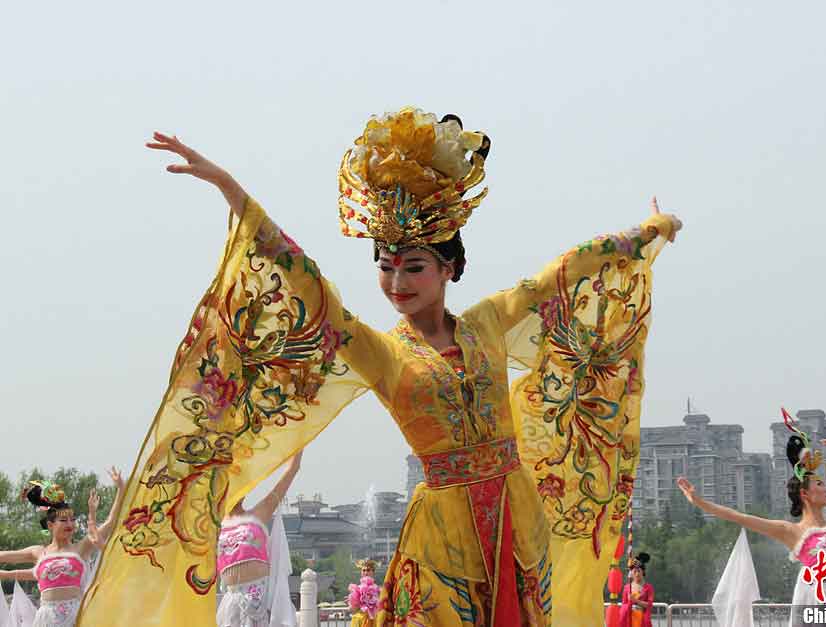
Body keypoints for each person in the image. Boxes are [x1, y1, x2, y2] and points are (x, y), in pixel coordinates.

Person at [81, 106, 680, 626]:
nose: (397, 282)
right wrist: (234, 193)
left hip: (517, 520)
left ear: (449, 268)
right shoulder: (383, 352)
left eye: (414, 265)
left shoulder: (489, 323)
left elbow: (563, 274)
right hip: (443, 532)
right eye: (386, 266)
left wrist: (648, 232)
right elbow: (308, 288)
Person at [677, 409, 826, 623]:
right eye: (820, 484)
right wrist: (699, 501)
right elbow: (738, 516)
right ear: (805, 494)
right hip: (816, 603)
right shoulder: (791, 531)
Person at [0, 471, 125, 627]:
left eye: (73, 520)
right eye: (64, 520)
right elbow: (4, 556)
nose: (70, 524)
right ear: (51, 525)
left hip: (76, 617)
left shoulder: (81, 548)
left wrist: (121, 488)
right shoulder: (39, 552)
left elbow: (111, 522)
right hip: (46, 619)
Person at [216, 452, 303, 627]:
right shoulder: (214, 524)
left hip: (261, 599)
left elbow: (292, 470)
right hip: (231, 604)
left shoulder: (259, 513)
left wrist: (301, 435)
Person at [619, 553, 653, 627]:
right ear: (631, 573)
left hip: (642, 620)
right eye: (635, 571)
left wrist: (636, 601)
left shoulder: (648, 587)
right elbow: (623, 604)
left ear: (643, 572)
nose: (637, 574)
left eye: (639, 571)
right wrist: (628, 604)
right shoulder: (627, 587)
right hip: (629, 619)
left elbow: (649, 605)